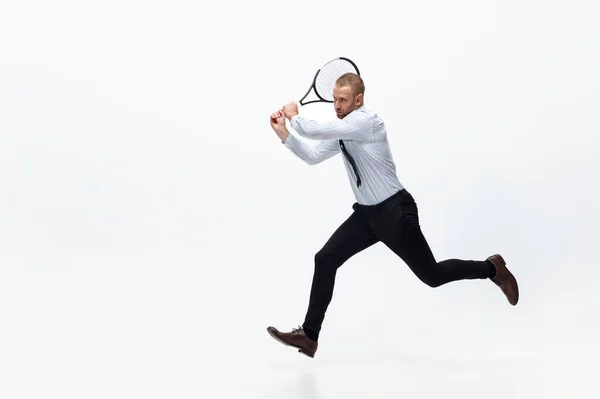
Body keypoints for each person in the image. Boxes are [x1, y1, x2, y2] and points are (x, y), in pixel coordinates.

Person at [266, 72, 519, 358]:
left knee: (432, 275)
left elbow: (311, 130)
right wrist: (284, 133)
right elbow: (312, 155)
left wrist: (295, 116)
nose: (336, 105)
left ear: (358, 100)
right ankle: (309, 336)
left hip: (395, 212)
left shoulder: (366, 122)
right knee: (325, 259)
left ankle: (492, 269)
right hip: (367, 216)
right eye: (334, 99)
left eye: (342, 100)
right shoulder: (344, 130)